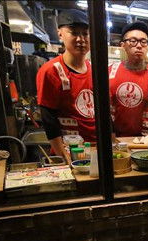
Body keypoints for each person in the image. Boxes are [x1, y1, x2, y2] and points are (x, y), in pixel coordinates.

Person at [36, 9, 94, 159]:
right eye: (74, 33)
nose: (81, 39)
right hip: (71, 151)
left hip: (95, 149)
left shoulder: (95, 71)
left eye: (85, 34)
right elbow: (48, 118)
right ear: (60, 34)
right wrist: (63, 157)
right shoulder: (50, 71)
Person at [109, 21, 148, 137]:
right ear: (122, 45)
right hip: (117, 139)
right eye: (133, 41)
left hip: (147, 141)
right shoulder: (110, 72)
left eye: (143, 42)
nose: (139, 46)